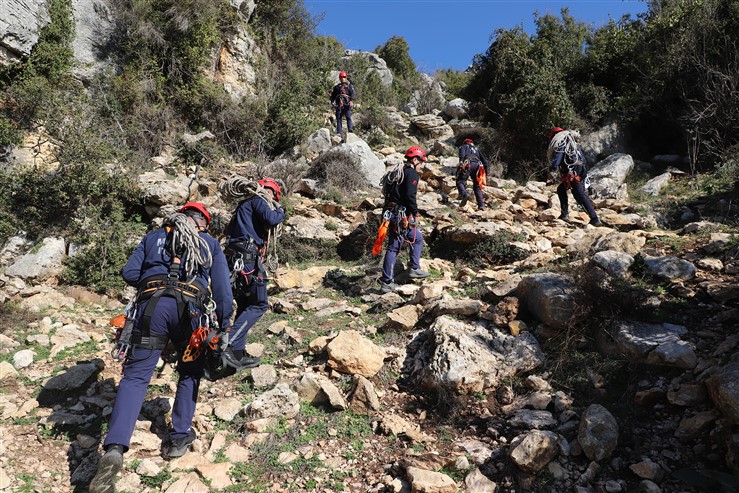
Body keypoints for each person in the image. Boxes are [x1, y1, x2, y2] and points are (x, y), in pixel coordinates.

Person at [89, 203, 233, 493]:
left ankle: (115, 448)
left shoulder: (153, 237)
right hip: (191, 315)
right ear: (202, 223)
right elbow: (221, 289)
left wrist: (155, 274)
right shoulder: (208, 243)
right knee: (190, 370)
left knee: (136, 377)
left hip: (151, 309)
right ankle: (179, 438)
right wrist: (225, 322)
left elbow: (129, 273)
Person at [223, 177, 286, 365]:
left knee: (244, 305)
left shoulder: (242, 206)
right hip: (248, 258)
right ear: (271, 192)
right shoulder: (258, 200)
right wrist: (281, 211)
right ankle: (229, 345)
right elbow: (272, 219)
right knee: (259, 304)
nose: (273, 199)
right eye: (273, 195)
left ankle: (237, 354)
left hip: (236, 258)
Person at [378, 146, 430, 293]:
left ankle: (414, 268)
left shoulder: (397, 172)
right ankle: (387, 282)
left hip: (391, 212)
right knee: (394, 248)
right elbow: (409, 195)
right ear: (414, 160)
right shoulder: (411, 173)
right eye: (421, 162)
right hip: (400, 214)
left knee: (417, 238)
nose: (421, 166)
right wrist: (415, 212)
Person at [547, 127, 602, 226]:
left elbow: (558, 157)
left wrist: (552, 171)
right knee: (561, 189)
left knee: (579, 194)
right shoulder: (574, 143)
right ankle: (564, 214)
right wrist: (583, 174)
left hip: (571, 171)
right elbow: (582, 159)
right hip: (579, 169)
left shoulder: (562, 142)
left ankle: (594, 218)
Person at [457, 138, 490, 210]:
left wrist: (461, 162)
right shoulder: (477, 149)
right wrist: (486, 174)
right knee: (477, 186)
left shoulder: (463, 146)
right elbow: (485, 161)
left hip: (469, 164)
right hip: (478, 166)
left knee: (460, 181)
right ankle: (481, 205)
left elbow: (462, 154)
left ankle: (464, 194)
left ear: (465, 143)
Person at [330, 71, 356, 135]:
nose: (343, 78)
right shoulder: (336, 87)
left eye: (344, 77)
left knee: (348, 117)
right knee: (339, 118)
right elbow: (333, 95)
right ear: (339, 78)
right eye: (341, 77)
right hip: (339, 104)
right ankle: (339, 132)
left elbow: (352, 94)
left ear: (346, 78)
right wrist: (332, 101)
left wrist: (351, 101)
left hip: (347, 104)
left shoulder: (349, 86)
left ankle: (350, 129)